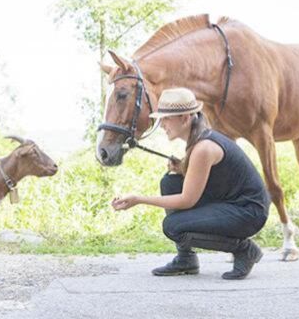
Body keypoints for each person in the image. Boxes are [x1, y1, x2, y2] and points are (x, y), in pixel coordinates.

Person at [111, 87, 270, 280]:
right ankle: (186, 259)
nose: (161, 125)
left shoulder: (203, 147)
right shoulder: (199, 140)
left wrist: (139, 199)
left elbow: (187, 200)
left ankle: (244, 249)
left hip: (249, 212)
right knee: (170, 182)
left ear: (185, 118)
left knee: (173, 226)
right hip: (231, 204)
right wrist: (183, 168)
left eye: (166, 119)